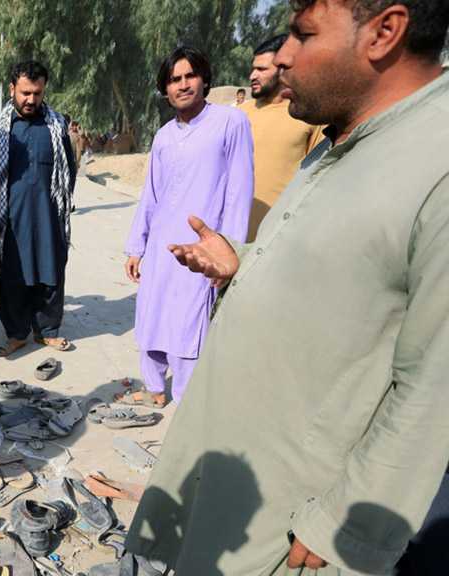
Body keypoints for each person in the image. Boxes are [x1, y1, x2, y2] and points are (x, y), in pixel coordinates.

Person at [126, 0, 449, 573]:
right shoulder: (342, 137)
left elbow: (434, 384)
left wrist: (349, 520)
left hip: (297, 507)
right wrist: (243, 261)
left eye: (302, 35)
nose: (282, 58)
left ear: (385, 32)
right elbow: (338, 272)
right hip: (236, 462)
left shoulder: (437, 163)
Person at [120, 46, 253, 407]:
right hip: (162, 245)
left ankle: (186, 400)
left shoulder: (231, 123)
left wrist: (230, 250)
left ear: (204, 79)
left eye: (189, 76)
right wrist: (137, 246)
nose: (182, 85)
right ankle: (154, 388)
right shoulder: (163, 135)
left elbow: (240, 191)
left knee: (189, 322)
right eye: (173, 79)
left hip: (201, 248)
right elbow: (151, 195)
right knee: (151, 315)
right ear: (165, 89)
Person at [0, 61, 76, 358]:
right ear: (12, 89)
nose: (31, 100)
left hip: (49, 215)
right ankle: (17, 333)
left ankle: (47, 331)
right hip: (10, 219)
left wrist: (63, 205)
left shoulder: (56, 125)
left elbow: (68, 169)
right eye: (25, 93)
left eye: (37, 93)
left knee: (51, 271)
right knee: (13, 275)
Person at [239, 34, 326, 240]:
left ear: (282, 68)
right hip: (232, 238)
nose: (252, 75)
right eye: (253, 68)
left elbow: (319, 177)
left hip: (278, 238)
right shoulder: (238, 115)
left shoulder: (307, 116)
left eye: (261, 69)